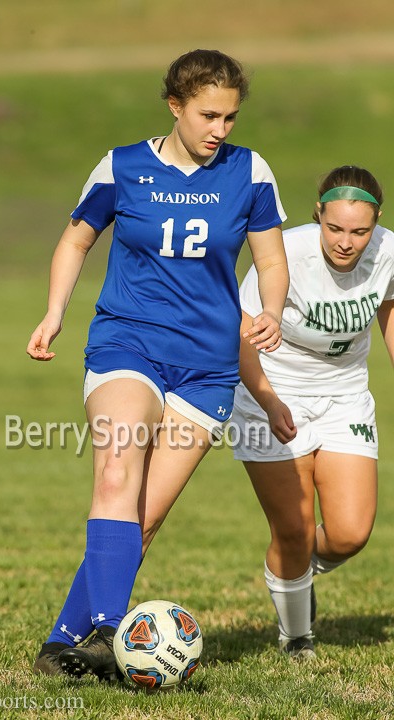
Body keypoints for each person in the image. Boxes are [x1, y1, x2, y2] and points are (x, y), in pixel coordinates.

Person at [27, 49, 289, 681]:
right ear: (175, 106)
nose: (220, 130)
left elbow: (271, 262)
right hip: (128, 345)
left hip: (207, 367)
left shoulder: (249, 172)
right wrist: (55, 311)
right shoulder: (123, 166)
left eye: (229, 117)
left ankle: (63, 643)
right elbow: (76, 239)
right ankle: (114, 636)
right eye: (207, 115)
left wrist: (271, 310)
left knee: (139, 524)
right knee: (117, 473)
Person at [231, 165, 394, 659]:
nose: (346, 242)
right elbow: (238, 336)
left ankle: (296, 571)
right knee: (294, 529)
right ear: (318, 215)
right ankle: (296, 637)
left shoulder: (389, 251)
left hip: (345, 395)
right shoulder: (284, 252)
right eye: (336, 228)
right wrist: (269, 401)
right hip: (271, 392)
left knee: (349, 533)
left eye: (360, 231)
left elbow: (390, 311)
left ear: (377, 222)